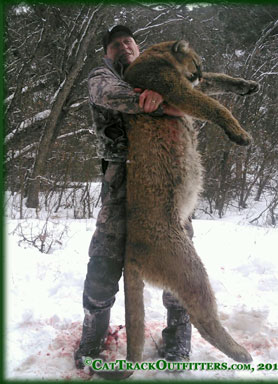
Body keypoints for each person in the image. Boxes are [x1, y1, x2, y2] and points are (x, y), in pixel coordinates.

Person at [74, 25, 193, 369]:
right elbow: (106, 94)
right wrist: (150, 102)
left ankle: (178, 338)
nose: (123, 46)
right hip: (120, 187)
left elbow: (191, 94)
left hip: (165, 185)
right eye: (115, 44)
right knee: (102, 266)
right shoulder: (103, 75)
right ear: (108, 53)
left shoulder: (163, 72)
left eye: (128, 41)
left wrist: (168, 95)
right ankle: (93, 338)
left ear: (138, 47)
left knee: (179, 265)